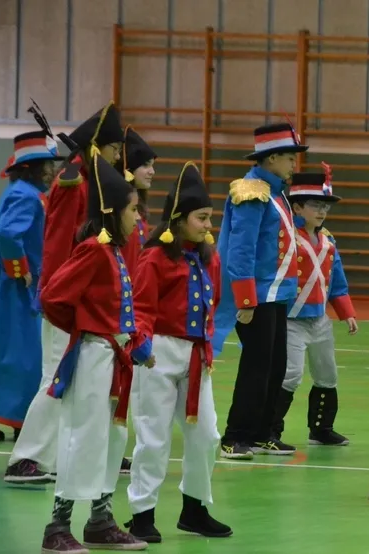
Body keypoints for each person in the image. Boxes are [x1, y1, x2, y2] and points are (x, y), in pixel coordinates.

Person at [5, 102, 128, 483]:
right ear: (97, 149)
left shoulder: (92, 182)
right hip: (65, 298)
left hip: (83, 298)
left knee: (71, 378)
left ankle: (57, 455)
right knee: (56, 376)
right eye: (112, 149)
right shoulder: (74, 182)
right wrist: (59, 295)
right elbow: (57, 243)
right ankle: (25, 459)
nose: (118, 156)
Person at [39, 152, 148, 552]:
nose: (138, 218)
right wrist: (86, 329)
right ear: (112, 211)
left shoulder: (115, 251)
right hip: (93, 357)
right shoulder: (94, 249)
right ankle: (57, 528)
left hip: (113, 359)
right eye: (133, 210)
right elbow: (54, 296)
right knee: (81, 438)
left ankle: (100, 520)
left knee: (111, 440)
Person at [124, 161, 231, 543]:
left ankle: (195, 509)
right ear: (179, 218)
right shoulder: (155, 258)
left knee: (206, 434)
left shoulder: (208, 256)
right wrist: (142, 343)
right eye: (201, 218)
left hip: (196, 357)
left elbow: (213, 302)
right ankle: (142, 514)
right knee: (153, 437)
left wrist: (207, 344)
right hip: (159, 354)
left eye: (209, 218)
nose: (207, 226)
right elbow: (141, 308)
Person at [212, 122, 305, 460]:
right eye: (290, 157)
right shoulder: (252, 191)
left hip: (276, 295)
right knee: (256, 367)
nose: (295, 163)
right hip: (258, 297)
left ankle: (263, 433)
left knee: (275, 365)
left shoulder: (276, 191)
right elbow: (241, 249)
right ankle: (235, 436)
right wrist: (246, 300)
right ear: (272, 158)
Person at [271, 164, 358, 447]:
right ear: (296, 208)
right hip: (291, 319)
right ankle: (271, 431)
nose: (321, 212)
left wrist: (347, 313)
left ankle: (321, 428)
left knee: (327, 373)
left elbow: (338, 282)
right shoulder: (286, 239)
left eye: (325, 207)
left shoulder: (328, 242)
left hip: (320, 320)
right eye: (315, 205)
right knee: (290, 374)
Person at [0, 128, 63, 445]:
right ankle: (22, 421)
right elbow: (6, 234)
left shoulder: (24, 191)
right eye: (48, 165)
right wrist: (20, 271)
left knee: (5, 352)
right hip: (11, 286)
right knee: (22, 355)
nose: (53, 171)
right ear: (32, 167)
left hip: (7, 283)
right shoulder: (26, 195)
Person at [115, 126, 157, 247]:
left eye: (152, 166)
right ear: (128, 168)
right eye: (145, 165)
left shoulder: (140, 206)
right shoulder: (115, 209)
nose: (152, 171)